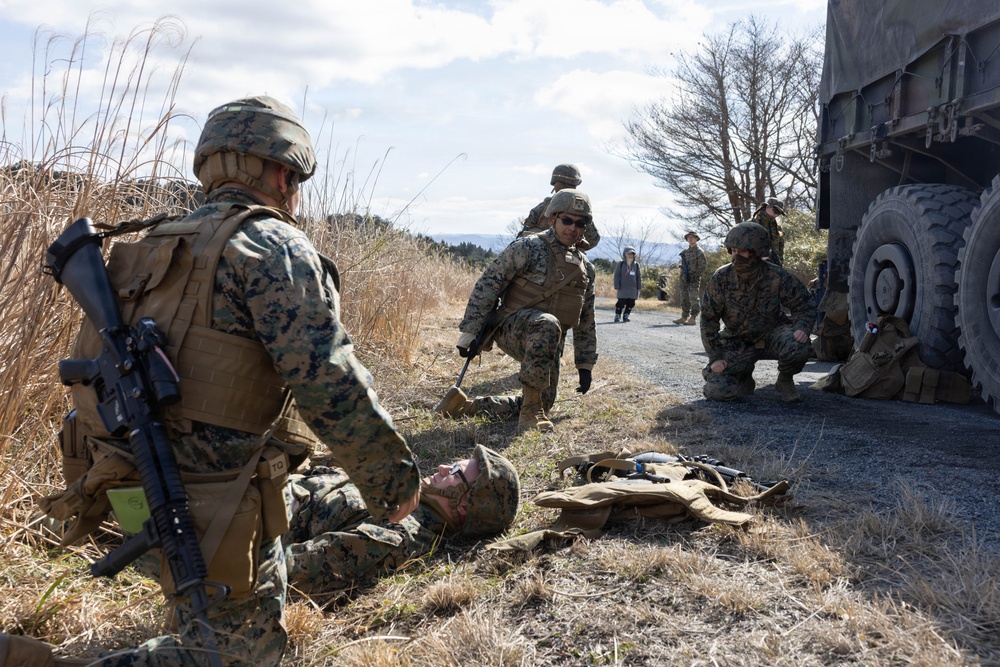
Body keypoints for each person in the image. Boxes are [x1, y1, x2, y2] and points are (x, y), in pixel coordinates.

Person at [15, 96, 421, 667]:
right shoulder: (271, 245)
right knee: (235, 655)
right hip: (215, 498)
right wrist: (392, 482)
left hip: (125, 478)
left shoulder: (156, 240)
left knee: (208, 623)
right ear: (282, 173)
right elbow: (327, 377)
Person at [437, 189, 598, 432]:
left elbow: (586, 319)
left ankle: (467, 407)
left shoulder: (586, 268)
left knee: (545, 402)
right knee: (547, 323)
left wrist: (584, 365)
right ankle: (531, 413)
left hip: (549, 340)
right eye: (567, 220)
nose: (572, 228)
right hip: (512, 328)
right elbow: (488, 284)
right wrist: (470, 332)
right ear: (553, 219)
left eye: (580, 223)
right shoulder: (528, 247)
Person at [285, 445, 519, 596]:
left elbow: (294, 568)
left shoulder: (398, 536)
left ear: (464, 505)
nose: (443, 467)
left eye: (455, 470)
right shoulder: (408, 499)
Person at [700, 222, 816, 403]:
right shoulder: (721, 278)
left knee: (798, 346)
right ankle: (743, 378)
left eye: (743, 251)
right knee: (718, 391)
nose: (737, 256)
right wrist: (715, 357)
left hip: (772, 336)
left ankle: (784, 380)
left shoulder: (776, 275)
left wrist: (802, 327)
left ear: (757, 252)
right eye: (733, 251)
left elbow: (804, 304)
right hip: (737, 341)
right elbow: (708, 320)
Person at [520, 164, 600, 250]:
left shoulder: (543, 207)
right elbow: (593, 240)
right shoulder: (580, 210)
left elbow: (522, 236)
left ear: (554, 183)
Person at [673, 231, 707, 325]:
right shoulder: (685, 252)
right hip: (684, 278)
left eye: (692, 237)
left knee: (693, 298)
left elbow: (702, 266)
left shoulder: (699, 252)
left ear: (696, 239)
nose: (690, 238)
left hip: (693, 278)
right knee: (684, 297)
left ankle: (693, 318)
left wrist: (695, 276)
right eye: (689, 237)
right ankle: (684, 317)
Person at [750, 197, 786, 265]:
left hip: (773, 268)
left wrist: (780, 266)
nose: (777, 214)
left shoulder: (777, 228)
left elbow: (780, 248)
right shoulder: (751, 225)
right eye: (775, 210)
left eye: (779, 213)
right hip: (754, 267)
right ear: (767, 206)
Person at [613, 246, 641, 323]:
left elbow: (638, 277)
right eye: (629, 254)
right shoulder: (621, 264)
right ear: (625, 254)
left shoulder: (636, 265)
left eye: (632, 254)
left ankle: (626, 315)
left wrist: (639, 287)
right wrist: (617, 286)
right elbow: (616, 275)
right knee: (620, 302)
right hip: (622, 288)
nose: (630, 255)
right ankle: (617, 315)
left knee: (631, 303)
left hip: (633, 288)